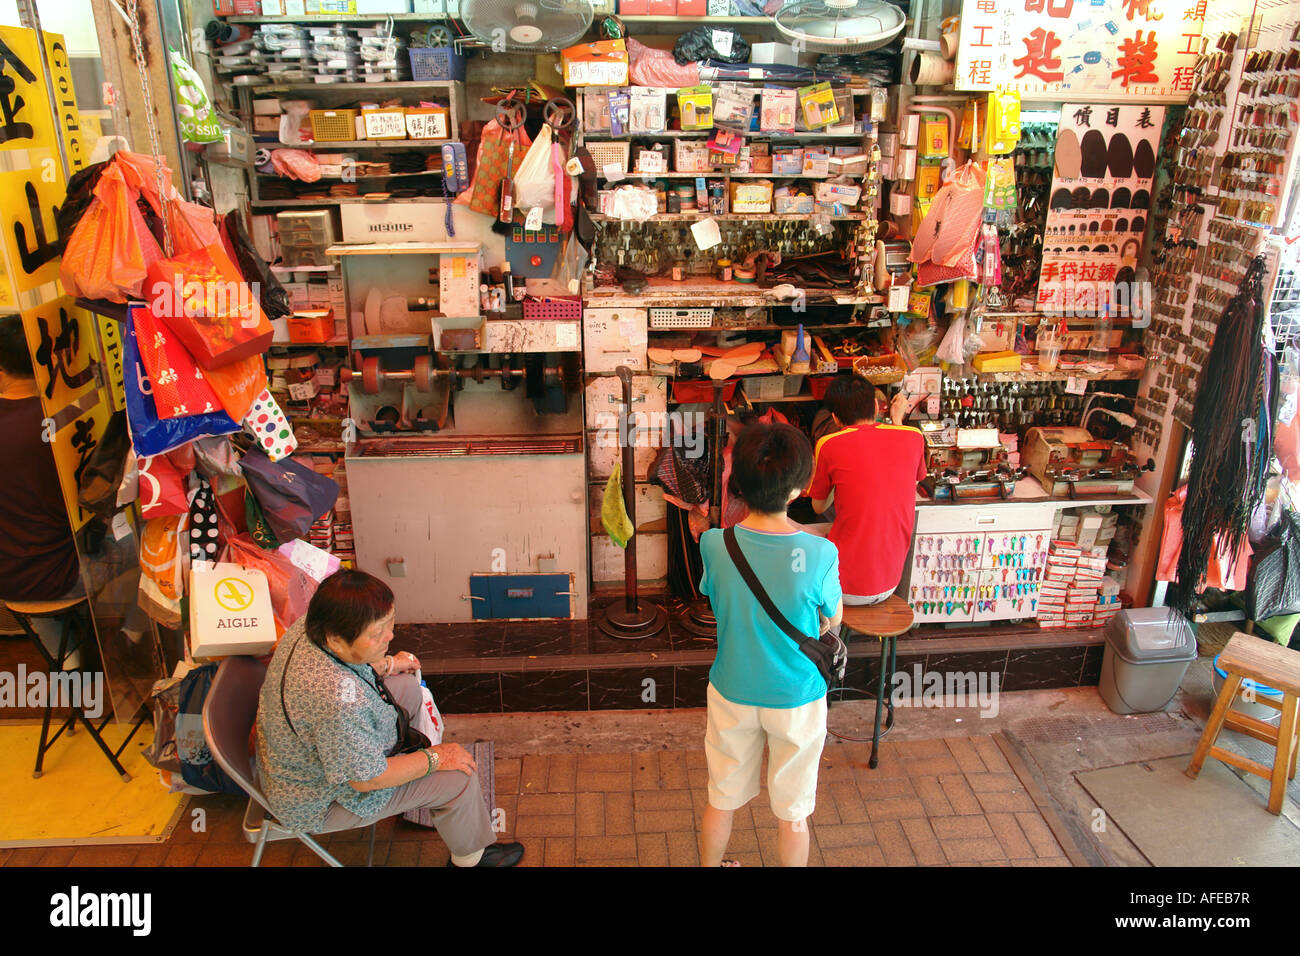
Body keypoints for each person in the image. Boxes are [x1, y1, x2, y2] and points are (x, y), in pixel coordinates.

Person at [256, 569, 524, 867]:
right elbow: (366, 780)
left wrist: (388, 663)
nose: (391, 635)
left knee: (407, 688)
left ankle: (424, 792)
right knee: (457, 777)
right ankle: (472, 860)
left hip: (299, 757)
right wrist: (435, 758)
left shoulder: (313, 624)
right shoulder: (335, 701)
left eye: (390, 623)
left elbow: (349, 658)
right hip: (317, 799)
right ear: (335, 638)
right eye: (377, 633)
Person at [698, 423, 843, 867]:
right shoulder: (820, 553)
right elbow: (832, 619)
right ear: (799, 488)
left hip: (732, 690)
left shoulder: (714, 543)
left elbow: (715, 596)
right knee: (794, 814)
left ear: (737, 481)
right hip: (796, 697)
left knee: (721, 799)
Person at [0, 314, 83, 664]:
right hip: (70, 575)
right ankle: (128, 639)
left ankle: (68, 659)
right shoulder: (69, 415)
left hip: (9, 580)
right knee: (150, 558)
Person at [809, 375, 925, 606]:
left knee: (797, 531)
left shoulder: (829, 444)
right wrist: (897, 419)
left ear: (835, 418)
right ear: (875, 406)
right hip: (891, 583)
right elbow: (911, 483)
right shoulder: (914, 437)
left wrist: (836, 482)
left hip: (844, 588)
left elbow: (818, 506)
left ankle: (822, 633)